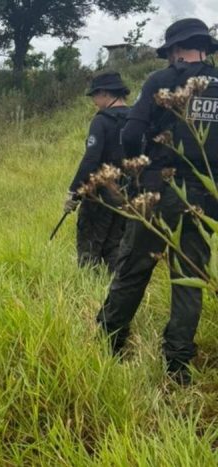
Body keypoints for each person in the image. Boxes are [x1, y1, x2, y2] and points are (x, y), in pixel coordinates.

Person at [96, 18, 218, 385]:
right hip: (202, 199)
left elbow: (130, 133)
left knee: (134, 267)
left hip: (156, 190)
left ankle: (109, 341)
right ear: (204, 48)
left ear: (176, 51)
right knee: (189, 277)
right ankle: (177, 366)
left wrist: (139, 174)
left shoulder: (159, 82)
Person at [64, 71, 131, 271]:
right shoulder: (136, 117)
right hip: (128, 193)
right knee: (115, 244)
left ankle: (87, 287)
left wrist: (74, 192)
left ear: (104, 93)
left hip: (100, 194)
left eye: (94, 95)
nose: (94, 101)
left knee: (89, 243)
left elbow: (91, 159)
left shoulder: (101, 121)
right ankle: (113, 288)